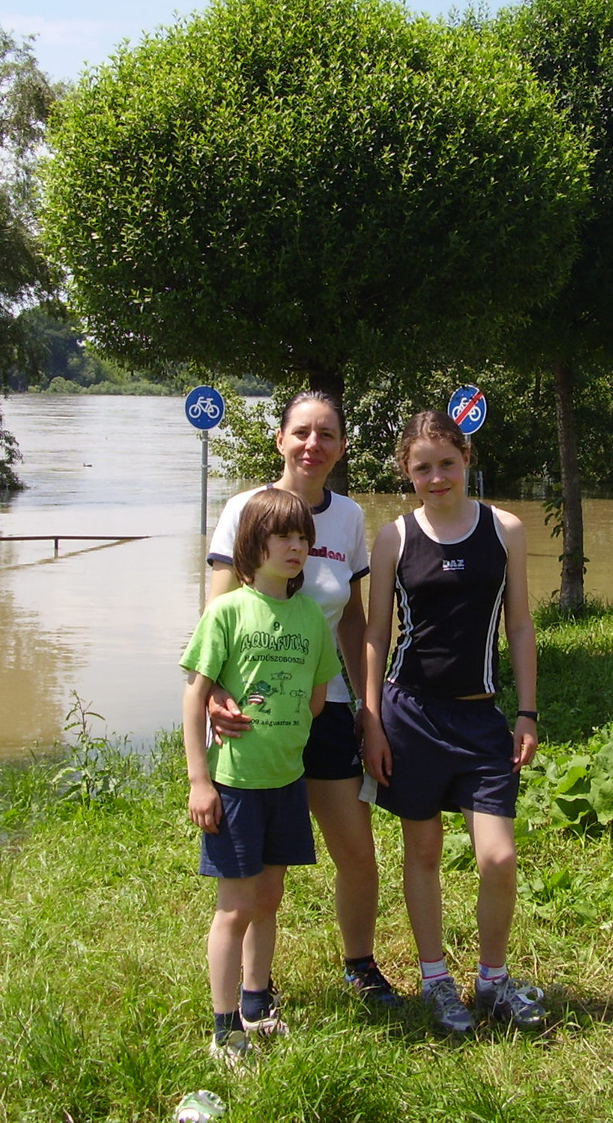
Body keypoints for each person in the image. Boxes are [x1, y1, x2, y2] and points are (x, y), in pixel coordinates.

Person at [205, 391, 401, 1008]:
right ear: (280, 441)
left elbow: (356, 625)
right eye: (301, 433)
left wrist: (369, 714)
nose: (313, 445)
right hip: (253, 716)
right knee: (261, 870)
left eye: (327, 435)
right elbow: (217, 614)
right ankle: (250, 990)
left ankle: (360, 966)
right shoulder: (245, 509)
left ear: (342, 447)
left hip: (328, 706)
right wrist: (213, 695)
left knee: (357, 852)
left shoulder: (347, 519)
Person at [359, 409, 546, 1034]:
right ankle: (436, 979)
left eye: (445, 463)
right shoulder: (395, 538)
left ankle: (492, 982)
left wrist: (526, 711)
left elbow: (518, 624)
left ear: (466, 459)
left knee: (498, 858)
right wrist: (371, 720)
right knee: (425, 851)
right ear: (406, 474)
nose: (435, 478)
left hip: (482, 722)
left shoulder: (505, 530)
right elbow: (375, 635)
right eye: (421, 468)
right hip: (408, 716)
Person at [181, 487, 343, 1064]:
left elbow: (319, 698)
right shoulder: (227, 611)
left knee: (269, 897)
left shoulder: (311, 618)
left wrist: (282, 718)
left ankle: (256, 1003)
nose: (295, 546)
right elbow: (195, 696)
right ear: (253, 545)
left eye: (302, 537)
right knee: (235, 905)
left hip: (286, 781)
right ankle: (224, 1029)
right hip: (235, 785)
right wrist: (201, 781)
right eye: (282, 536)